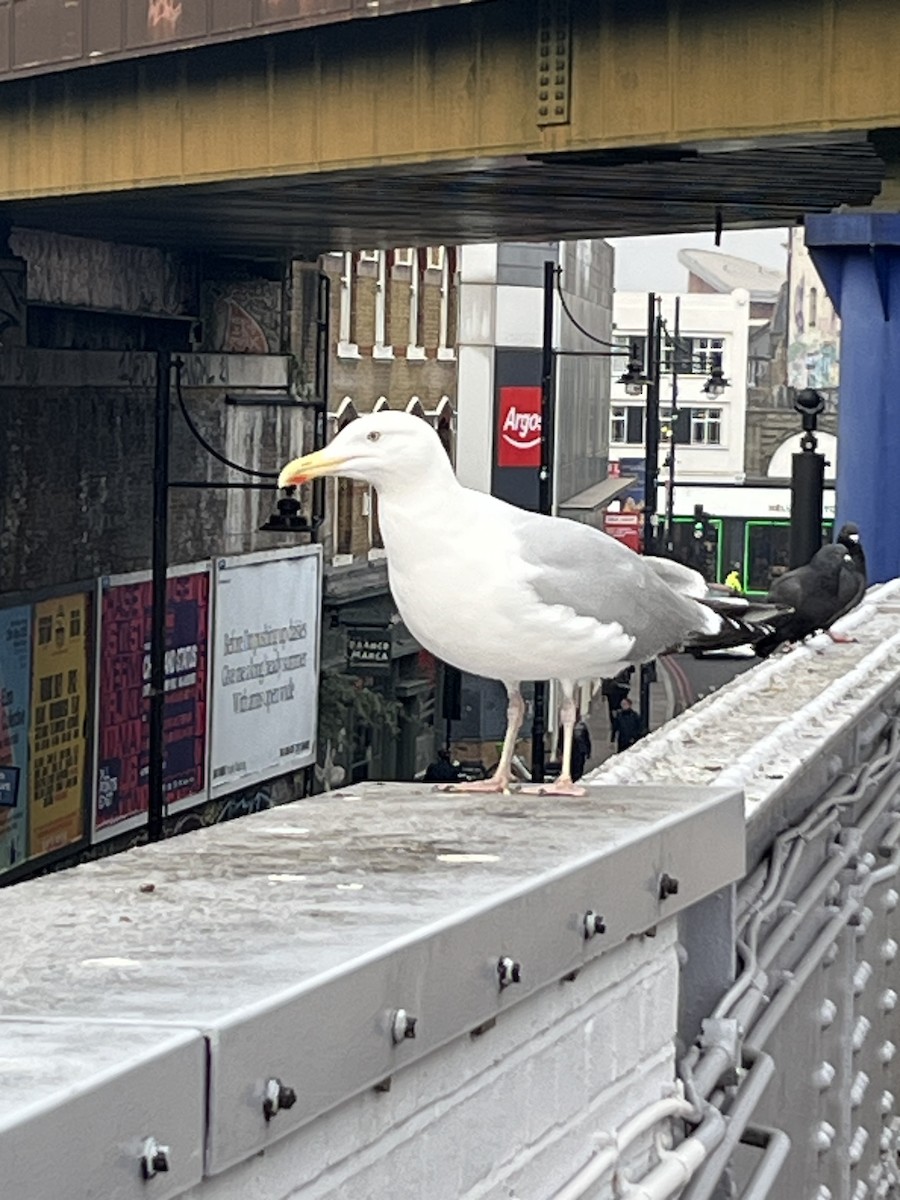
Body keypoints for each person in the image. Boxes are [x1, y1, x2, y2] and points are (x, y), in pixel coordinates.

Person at [570, 716, 592, 782]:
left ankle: (577, 778)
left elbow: (587, 739)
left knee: (579, 765)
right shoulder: (567, 726)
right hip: (573, 750)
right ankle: (574, 778)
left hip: (581, 750)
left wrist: (588, 751)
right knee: (574, 765)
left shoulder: (582, 726)